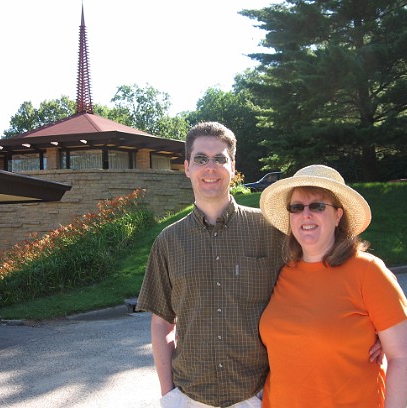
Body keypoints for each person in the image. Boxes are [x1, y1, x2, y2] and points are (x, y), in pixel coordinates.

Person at [137, 123, 383, 408]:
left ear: (233, 166)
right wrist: (168, 394)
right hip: (188, 398)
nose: (210, 167)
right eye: (201, 159)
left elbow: (322, 272)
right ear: (187, 167)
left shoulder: (270, 231)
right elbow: (161, 325)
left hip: (257, 397)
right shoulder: (168, 242)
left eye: (220, 158)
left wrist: (372, 324)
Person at [259, 164, 407, 408]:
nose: (306, 215)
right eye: (297, 207)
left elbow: (402, 357)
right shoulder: (282, 272)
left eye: (318, 206)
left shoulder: (368, 271)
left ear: (338, 215)